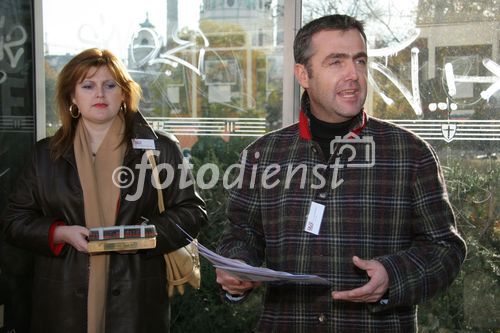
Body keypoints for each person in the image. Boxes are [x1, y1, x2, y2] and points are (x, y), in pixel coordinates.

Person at [215, 14, 466, 332]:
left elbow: (445, 249)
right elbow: (242, 234)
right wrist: (236, 267)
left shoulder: (410, 153)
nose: (354, 75)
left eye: (360, 61)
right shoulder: (262, 156)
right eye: (336, 62)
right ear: (303, 75)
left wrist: (394, 274)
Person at [1, 48, 207, 333]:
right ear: (72, 97)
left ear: (123, 94)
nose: (100, 94)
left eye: (110, 85)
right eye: (88, 86)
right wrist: (61, 233)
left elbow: (193, 213)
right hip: (61, 305)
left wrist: (143, 235)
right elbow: (14, 222)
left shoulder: (161, 149)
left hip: (136, 304)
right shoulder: (44, 155)